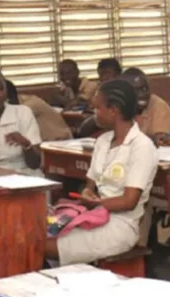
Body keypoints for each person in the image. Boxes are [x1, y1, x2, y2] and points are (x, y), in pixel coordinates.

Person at [44, 80, 158, 265]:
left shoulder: (141, 146)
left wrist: (99, 203)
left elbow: (129, 201)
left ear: (114, 110)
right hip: (94, 216)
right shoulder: (103, 141)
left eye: (97, 108)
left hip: (119, 226)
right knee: (39, 234)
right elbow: (90, 185)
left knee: (45, 246)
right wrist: (87, 194)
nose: (94, 114)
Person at [121, 67, 170, 146]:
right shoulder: (121, 107)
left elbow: (162, 144)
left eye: (145, 88)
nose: (142, 94)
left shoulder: (159, 106)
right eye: (136, 90)